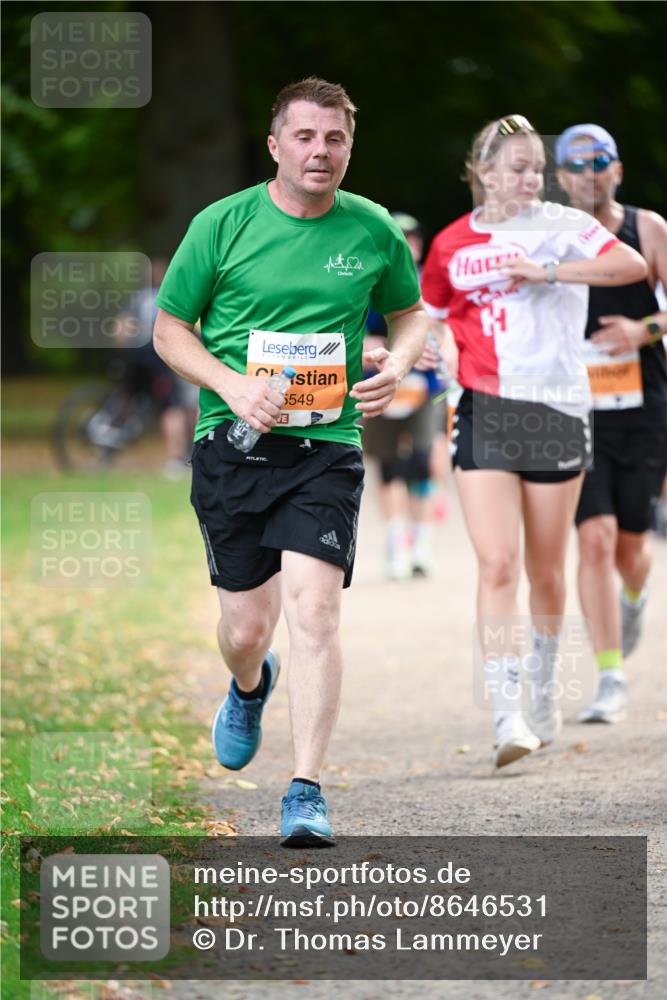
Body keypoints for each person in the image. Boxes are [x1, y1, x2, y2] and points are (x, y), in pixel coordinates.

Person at [152, 77, 429, 844]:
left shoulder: (370, 228)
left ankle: (304, 789)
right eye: (304, 137)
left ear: (349, 146)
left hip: (325, 445)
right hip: (232, 445)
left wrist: (400, 364)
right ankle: (248, 685)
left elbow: (411, 315)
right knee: (247, 628)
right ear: (276, 145)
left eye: (334, 138)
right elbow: (171, 330)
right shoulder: (224, 224)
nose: (320, 151)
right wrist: (232, 385)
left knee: (314, 610)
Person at [421, 115, 646, 767]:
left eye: (535, 169)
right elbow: (431, 319)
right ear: (482, 171)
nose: (529, 179)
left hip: (556, 407)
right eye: (515, 167)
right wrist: (442, 357)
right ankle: (505, 715)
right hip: (484, 407)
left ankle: (544, 686)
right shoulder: (449, 245)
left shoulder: (563, 224)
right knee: (496, 562)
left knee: (546, 569)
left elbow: (628, 264)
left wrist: (550, 271)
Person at [555, 124, 667, 723]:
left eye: (600, 161)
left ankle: (634, 595)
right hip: (575, 408)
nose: (589, 172)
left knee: (631, 546)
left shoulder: (647, 230)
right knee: (592, 537)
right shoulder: (552, 235)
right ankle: (610, 675)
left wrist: (640, 330)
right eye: (576, 164)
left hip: (644, 405)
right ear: (562, 176)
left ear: (616, 171)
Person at [361, 213, 447, 579]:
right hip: (383, 385)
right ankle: (398, 542)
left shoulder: (433, 279)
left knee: (426, 463)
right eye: (401, 237)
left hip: (426, 390)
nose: (407, 245)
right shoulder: (369, 278)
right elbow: (358, 332)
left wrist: (433, 347)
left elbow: (445, 326)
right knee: (389, 465)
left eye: (412, 238)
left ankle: (422, 543)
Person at [114, 257, 198, 478]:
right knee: (173, 408)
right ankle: (177, 460)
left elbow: (120, 330)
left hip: (135, 359)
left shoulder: (139, 297)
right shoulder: (175, 297)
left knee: (135, 397)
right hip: (160, 361)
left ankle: (123, 426)